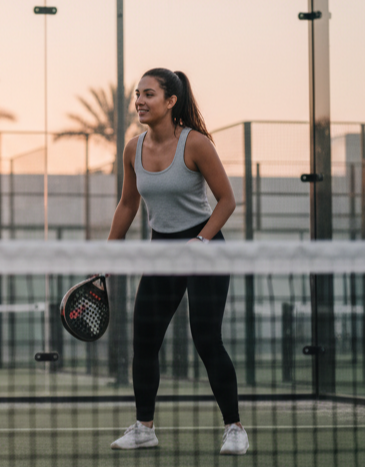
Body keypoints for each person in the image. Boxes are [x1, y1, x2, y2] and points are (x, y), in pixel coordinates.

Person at [106, 68, 248, 455]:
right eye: (137, 94)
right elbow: (128, 204)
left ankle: (234, 427)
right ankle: (144, 427)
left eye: (149, 94)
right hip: (162, 251)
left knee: (206, 339)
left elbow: (227, 200)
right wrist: (106, 253)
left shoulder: (196, 143)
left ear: (171, 101)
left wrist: (201, 241)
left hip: (205, 247)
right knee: (144, 342)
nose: (139, 101)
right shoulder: (132, 149)